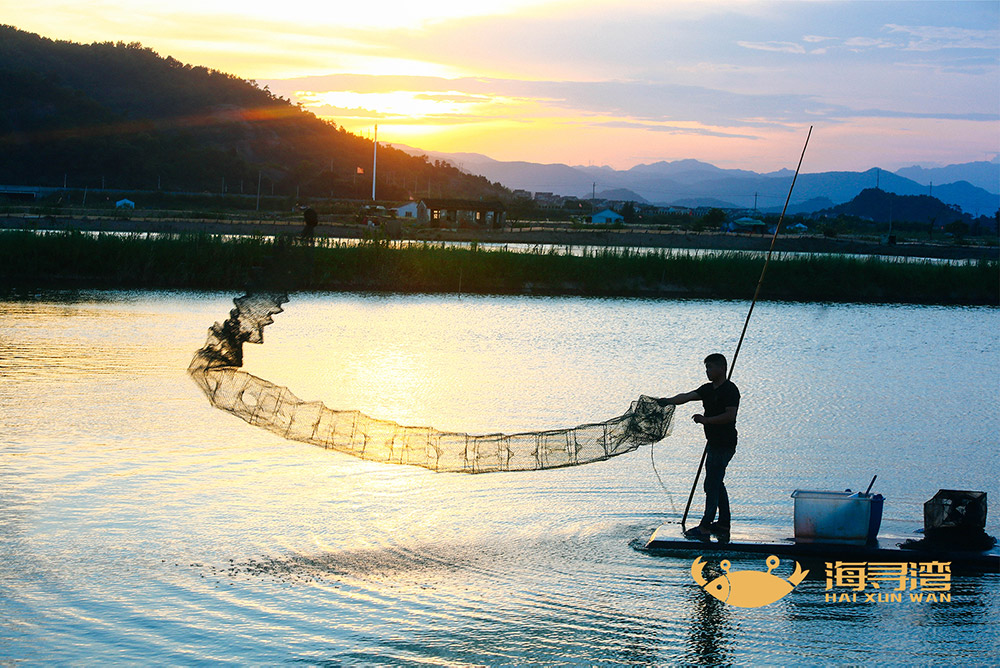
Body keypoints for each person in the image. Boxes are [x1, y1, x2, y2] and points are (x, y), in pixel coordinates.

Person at [659, 353, 740, 538]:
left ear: (722, 368)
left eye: (710, 367)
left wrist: (706, 420)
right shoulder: (707, 389)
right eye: (706, 368)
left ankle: (705, 526)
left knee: (711, 484)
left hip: (725, 444)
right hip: (713, 443)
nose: (707, 371)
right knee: (716, 483)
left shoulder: (730, 390)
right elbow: (687, 396)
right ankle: (724, 524)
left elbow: (730, 416)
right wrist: (668, 401)